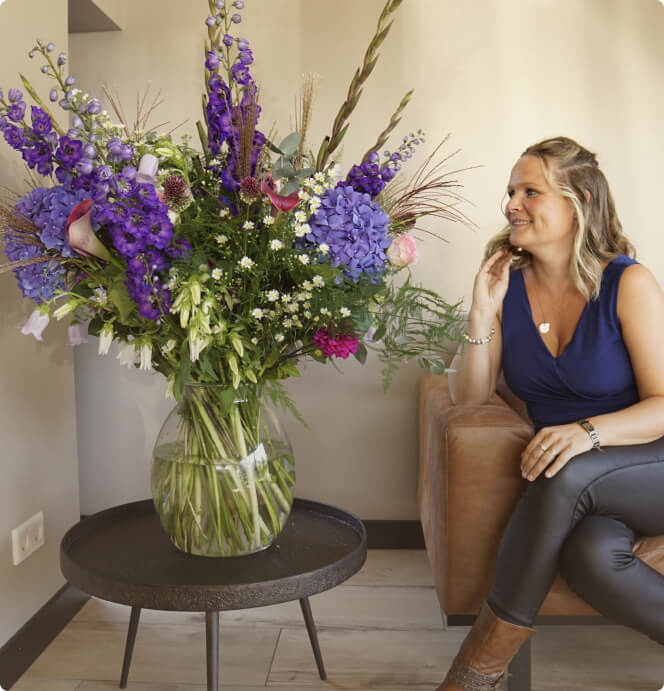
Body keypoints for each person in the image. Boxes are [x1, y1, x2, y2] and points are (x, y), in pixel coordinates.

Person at [437, 136, 664, 691]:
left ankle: (474, 675)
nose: (511, 203)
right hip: (581, 480)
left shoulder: (627, 283)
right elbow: (469, 399)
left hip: (650, 463)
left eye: (529, 191)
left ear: (578, 201)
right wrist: (481, 312)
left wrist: (587, 433)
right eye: (510, 192)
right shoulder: (508, 285)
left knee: (566, 466)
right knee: (591, 557)